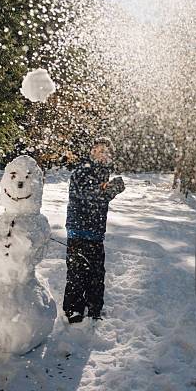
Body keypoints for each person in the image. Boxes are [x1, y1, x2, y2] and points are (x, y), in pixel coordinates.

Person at [63, 137, 125, 323]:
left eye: (106, 151)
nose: (102, 154)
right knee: (77, 274)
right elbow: (89, 195)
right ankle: (73, 311)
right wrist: (110, 189)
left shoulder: (102, 172)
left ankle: (94, 309)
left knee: (96, 275)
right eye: (99, 150)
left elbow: (99, 197)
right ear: (92, 151)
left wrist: (108, 189)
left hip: (96, 232)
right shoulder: (83, 170)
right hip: (79, 231)